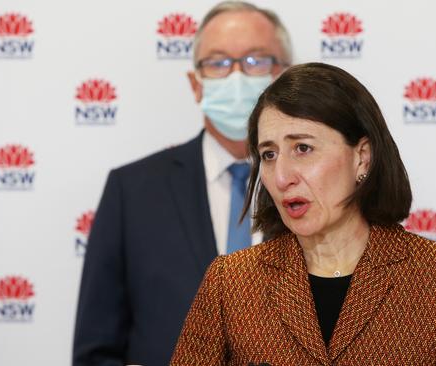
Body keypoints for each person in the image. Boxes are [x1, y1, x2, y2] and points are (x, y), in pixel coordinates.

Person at [170, 63, 436, 365]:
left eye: (302, 148)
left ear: (362, 157)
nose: (281, 175)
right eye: (269, 154)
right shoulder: (230, 282)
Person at [72, 2, 292, 365]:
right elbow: (96, 353)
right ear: (196, 83)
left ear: (285, 75)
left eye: (255, 61)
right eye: (218, 63)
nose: (236, 77)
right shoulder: (132, 192)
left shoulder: (318, 188)